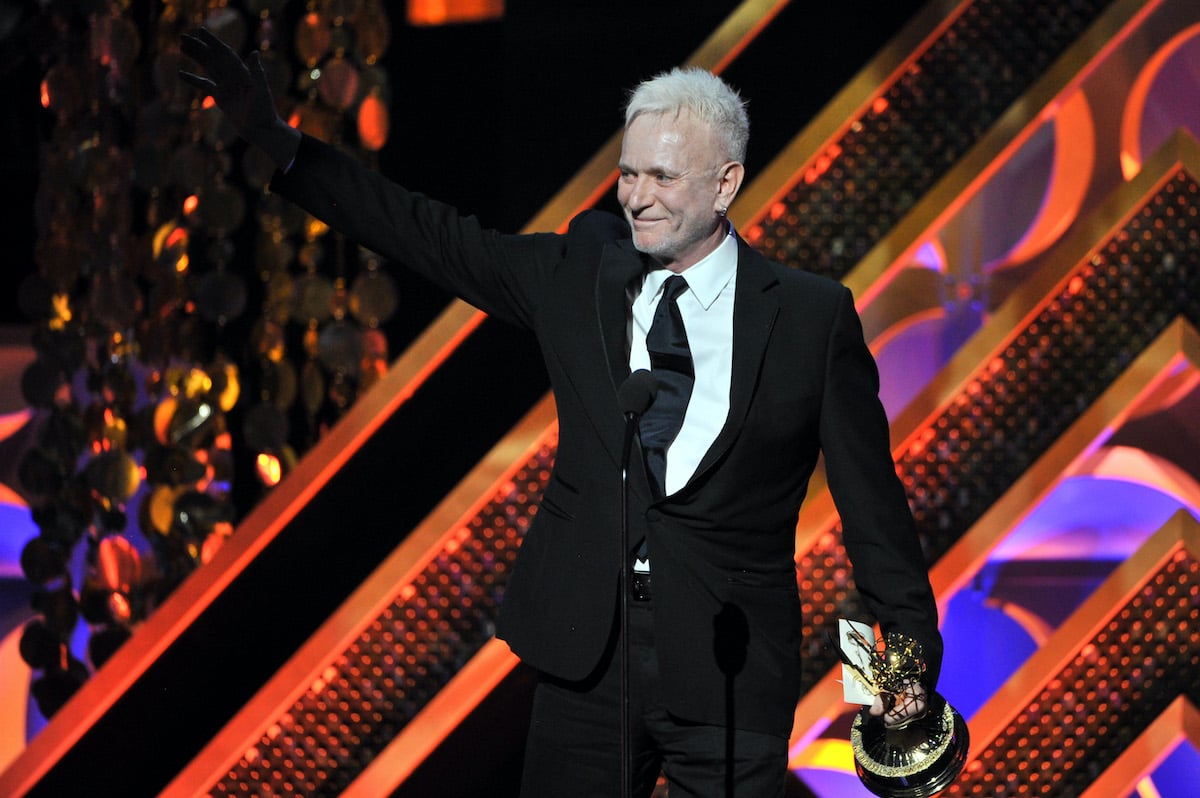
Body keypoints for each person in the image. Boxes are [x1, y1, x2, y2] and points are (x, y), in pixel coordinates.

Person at [181, 26, 943, 798]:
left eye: (663, 178)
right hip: (586, 661)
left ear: (725, 184)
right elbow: (430, 236)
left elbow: (873, 515)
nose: (636, 198)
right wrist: (283, 147)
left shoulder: (812, 319)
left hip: (731, 671)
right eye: (628, 173)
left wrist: (900, 675)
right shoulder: (580, 275)